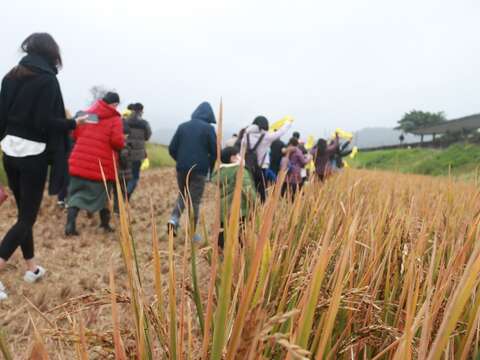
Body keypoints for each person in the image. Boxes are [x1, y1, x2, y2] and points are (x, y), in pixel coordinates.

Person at [0, 33, 86, 300]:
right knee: (27, 218)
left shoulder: (10, 76)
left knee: (23, 216)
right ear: (52, 54)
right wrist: (74, 123)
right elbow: (48, 122)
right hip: (33, 155)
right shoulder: (48, 81)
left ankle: (32, 268)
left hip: (9, 151)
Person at [65, 92, 125, 236]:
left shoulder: (86, 114)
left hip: (79, 162)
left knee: (76, 195)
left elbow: (74, 134)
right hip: (101, 166)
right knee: (104, 195)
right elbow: (117, 142)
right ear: (115, 104)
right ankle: (104, 224)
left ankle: (70, 225)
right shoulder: (115, 119)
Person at [167, 102, 217, 242]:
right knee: (194, 201)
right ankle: (193, 233)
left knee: (183, 194)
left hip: (181, 168)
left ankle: (174, 219)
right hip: (199, 170)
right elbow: (214, 153)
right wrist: (209, 170)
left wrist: (180, 161)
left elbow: (171, 148)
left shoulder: (182, 126)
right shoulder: (209, 129)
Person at [242, 116, 293, 202]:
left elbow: (241, 153)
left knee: (248, 191)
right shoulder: (266, 137)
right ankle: (261, 212)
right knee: (262, 193)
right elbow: (280, 132)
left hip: (247, 168)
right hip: (261, 169)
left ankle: (249, 211)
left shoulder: (245, 136)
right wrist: (288, 123)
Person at [214, 146, 256, 249]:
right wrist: (255, 204)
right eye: (238, 155)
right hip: (240, 210)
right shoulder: (240, 171)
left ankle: (221, 252)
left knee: (224, 231)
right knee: (240, 234)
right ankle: (239, 256)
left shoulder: (220, 172)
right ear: (233, 158)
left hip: (223, 210)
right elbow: (248, 190)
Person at [126, 103, 152, 199]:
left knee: (125, 175)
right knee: (134, 177)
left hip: (126, 153)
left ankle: (122, 195)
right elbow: (148, 136)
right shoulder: (144, 123)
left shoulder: (126, 121)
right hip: (138, 155)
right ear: (141, 111)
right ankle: (127, 194)